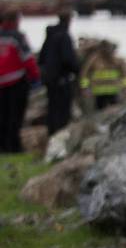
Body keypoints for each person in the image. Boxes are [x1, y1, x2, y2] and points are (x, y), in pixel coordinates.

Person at [0, 10, 39, 152]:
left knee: (2, 115)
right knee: (15, 116)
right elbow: (28, 59)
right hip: (16, 81)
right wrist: (35, 77)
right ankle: (14, 146)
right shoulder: (17, 37)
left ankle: (2, 146)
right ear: (16, 21)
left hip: (1, 83)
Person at [38, 11, 79, 135]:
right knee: (63, 110)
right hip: (62, 79)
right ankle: (60, 135)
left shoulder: (50, 35)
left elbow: (41, 58)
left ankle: (52, 133)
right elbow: (68, 59)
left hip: (50, 79)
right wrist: (77, 69)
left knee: (52, 108)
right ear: (69, 20)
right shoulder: (64, 36)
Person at [80, 39, 126, 110]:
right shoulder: (94, 59)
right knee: (100, 112)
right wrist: (84, 88)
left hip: (113, 91)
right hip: (99, 93)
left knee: (114, 112)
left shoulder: (116, 60)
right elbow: (84, 74)